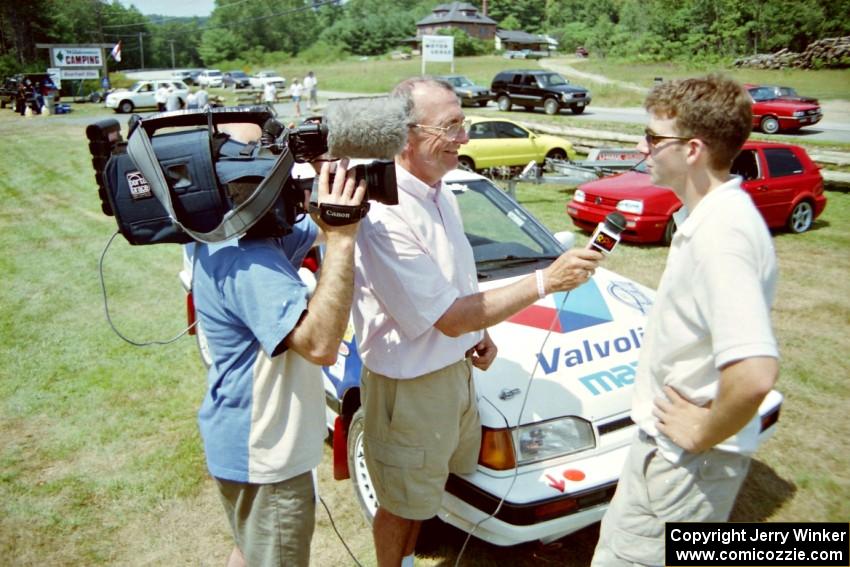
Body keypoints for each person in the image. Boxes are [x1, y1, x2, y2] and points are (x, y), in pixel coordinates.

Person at [351, 77, 604, 567]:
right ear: (406, 135)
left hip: (453, 374)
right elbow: (447, 317)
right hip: (412, 388)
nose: (465, 138)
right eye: (451, 126)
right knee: (402, 504)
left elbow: (455, 284)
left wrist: (479, 331)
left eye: (463, 122)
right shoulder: (384, 213)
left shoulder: (439, 189)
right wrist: (544, 282)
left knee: (428, 488)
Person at [590, 74, 779, 567]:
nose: (642, 147)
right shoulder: (706, 218)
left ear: (692, 149)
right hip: (668, 450)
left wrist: (703, 432)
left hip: (685, 462)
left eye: (653, 138)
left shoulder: (724, 235)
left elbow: (756, 373)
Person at [192, 124, 367, 567]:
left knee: (249, 551)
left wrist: (324, 170)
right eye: (261, 154)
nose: (277, 164)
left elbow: (315, 226)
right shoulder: (248, 260)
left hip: (243, 442)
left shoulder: (229, 232)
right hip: (265, 453)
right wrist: (344, 238)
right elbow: (322, 344)